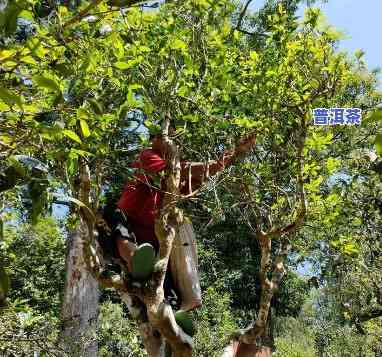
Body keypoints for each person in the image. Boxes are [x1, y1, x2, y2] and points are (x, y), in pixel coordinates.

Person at [109, 130, 257, 311]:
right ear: (156, 140)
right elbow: (182, 170)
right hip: (129, 222)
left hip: (154, 238)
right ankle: (135, 260)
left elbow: (195, 177)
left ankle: (181, 303)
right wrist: (223, 160)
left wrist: (234, 154)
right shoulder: (148, 155)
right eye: (168, 139)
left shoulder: (174, 182)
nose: (172, 144)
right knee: (118, 227)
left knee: (180, 226)